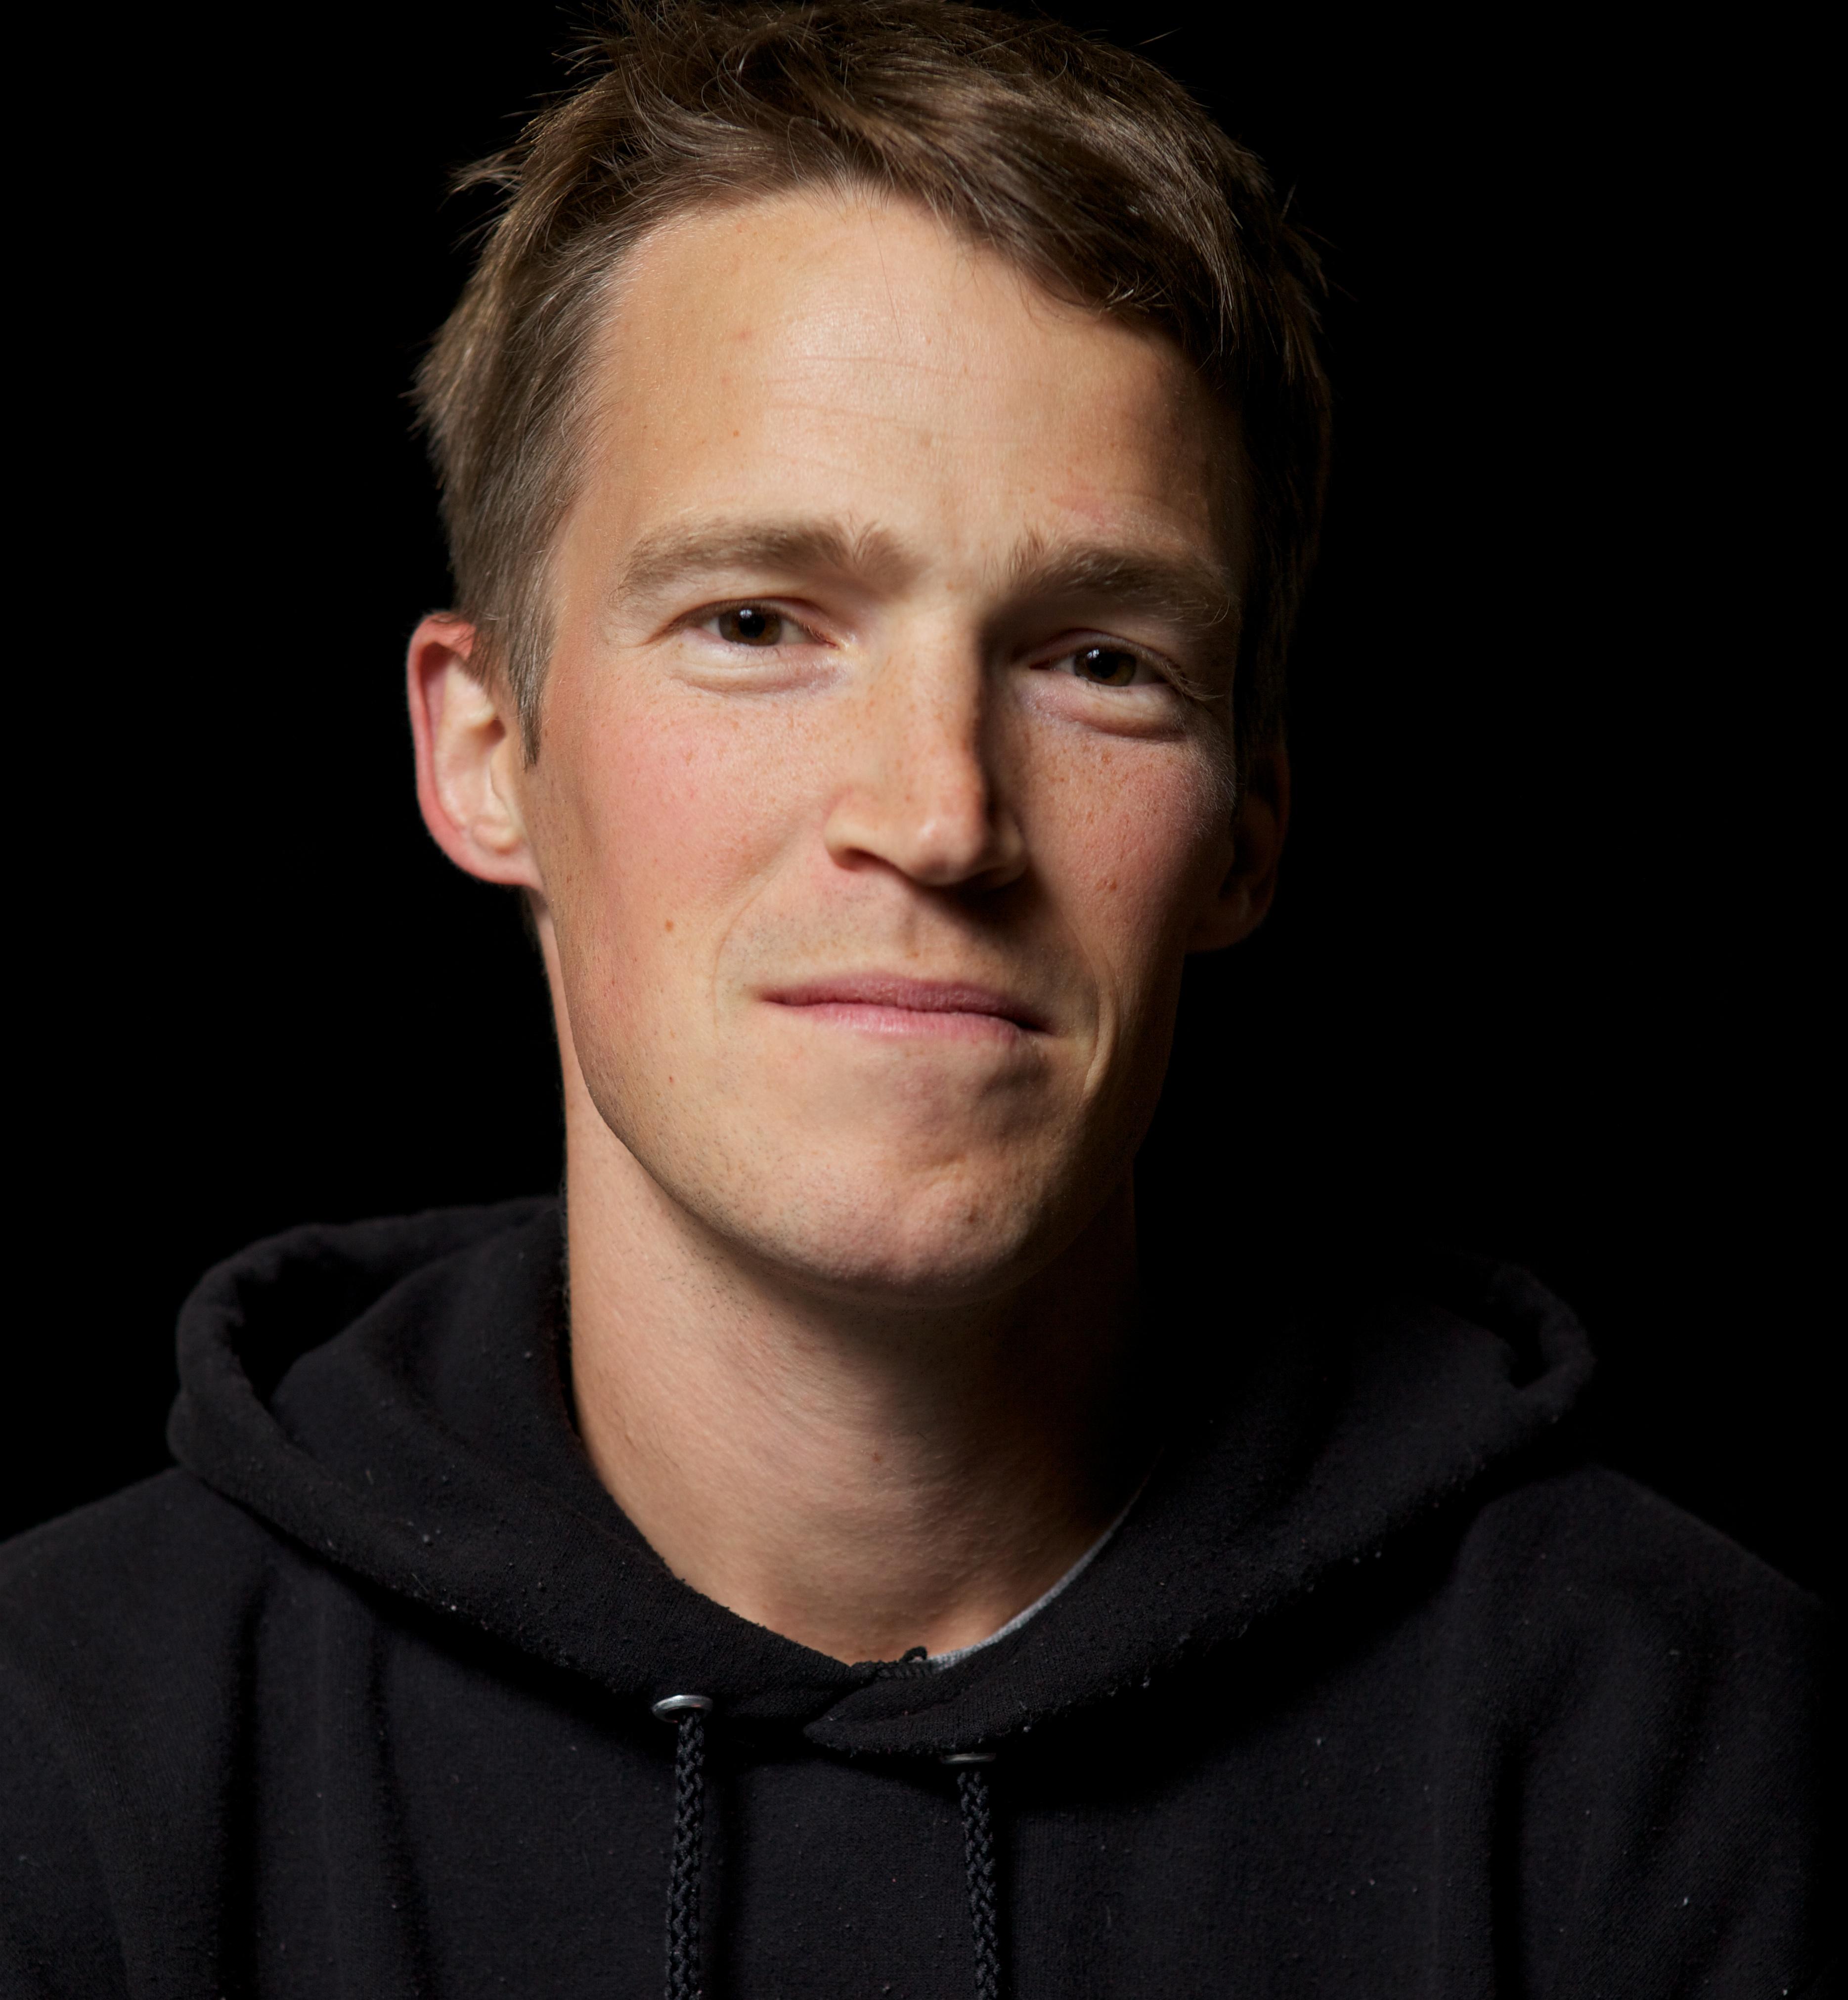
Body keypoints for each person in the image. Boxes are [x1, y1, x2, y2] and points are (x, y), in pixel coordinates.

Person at [0, 3, 1825, 1995]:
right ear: (485, 745)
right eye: (758, 623)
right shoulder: (62, 1747)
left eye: (1096, 657)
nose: (941, 817)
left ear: (1248, 822)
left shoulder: (1689, 1744)